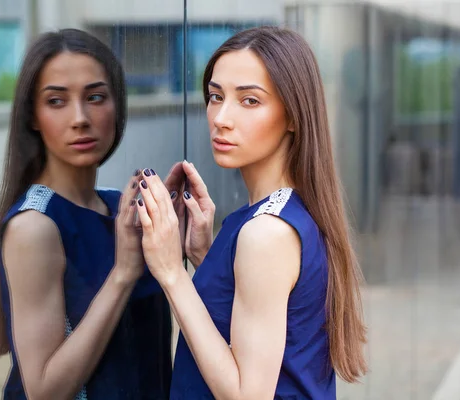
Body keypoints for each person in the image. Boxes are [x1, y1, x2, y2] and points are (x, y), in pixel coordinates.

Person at [134, 26, 368, 399]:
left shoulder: (266, 233)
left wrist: (171, 273)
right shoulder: (272, 214)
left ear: (293, 115)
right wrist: (205, 257)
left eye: (250, 101)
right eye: (215, 96)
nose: (221, 118)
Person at [0, 28, 175, 399]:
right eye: (56, 101)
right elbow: (44, 392)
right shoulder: (34, 226)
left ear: (117, 105)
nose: (80, 118)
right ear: (32, 116)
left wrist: (187, 249)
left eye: (96, 97)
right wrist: (123, 274)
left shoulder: (120, 208)